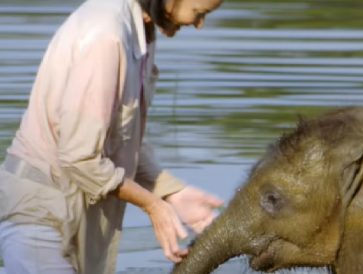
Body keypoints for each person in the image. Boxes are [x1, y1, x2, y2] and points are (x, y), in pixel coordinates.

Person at [0, 0, 224, 273]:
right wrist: (152, 205)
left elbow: (122, 141)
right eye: (199, 13)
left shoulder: (142, 30)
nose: (198, 24)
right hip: (40, 216)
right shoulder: (107, 35)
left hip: (80, 209)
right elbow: (78, 157)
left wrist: (171, 193)